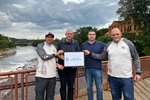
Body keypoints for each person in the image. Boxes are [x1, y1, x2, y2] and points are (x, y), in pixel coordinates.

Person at [84, 28, 141, 100]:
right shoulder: (108, 45)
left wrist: (138, 72)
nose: (115, 36)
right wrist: (90, 53)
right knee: (115, 98)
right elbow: (102, 56)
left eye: (117, 34)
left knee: (129, 98)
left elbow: (136, 57)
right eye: (113, 35)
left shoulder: (128, 43)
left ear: (121, 34)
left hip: (126, 77)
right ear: (111, 36)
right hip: (112, 77)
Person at [35, 32, 64, 100]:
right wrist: (56, 54)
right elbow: (44, 57)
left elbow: (53, 59)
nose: (50, 38)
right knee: (39, 96)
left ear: (53, 39)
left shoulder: (54, 47)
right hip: (41, 76)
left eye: (51, 37)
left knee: (50, 96)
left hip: (52, 75)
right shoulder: (40, 46)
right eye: (48, 37)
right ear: (45, 38)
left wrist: (57, 64)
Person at [81, 30, 105, 100]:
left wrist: (122, 39)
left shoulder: (101, 44)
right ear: (87, 36)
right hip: (87, 69)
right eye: (90, 34)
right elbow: (80, 56)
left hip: (97, 68)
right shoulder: (83, 45)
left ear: (95, 36)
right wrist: (81, 63)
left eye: (93, 34)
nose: (91, 36)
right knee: (89, 88)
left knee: (99, 88)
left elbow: (110, 46)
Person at [57, 29, 80, 100]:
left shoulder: (75, 43)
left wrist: (77, 63)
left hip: (72, 68)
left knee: (71, 86)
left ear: (73, 35)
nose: (69, 35)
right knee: (63, 86)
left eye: (71, 34)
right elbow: (57, 53)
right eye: (68, 33)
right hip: (62, 68)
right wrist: (59, 56)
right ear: (65, 34)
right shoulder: (60, 42)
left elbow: (78, 54)